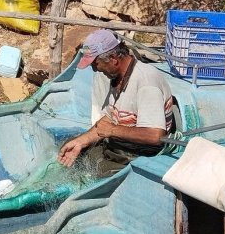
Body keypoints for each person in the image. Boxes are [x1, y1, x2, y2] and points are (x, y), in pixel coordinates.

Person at [58, 29, 176, 177]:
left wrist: (112, 130)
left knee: (97, 176)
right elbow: (109, 120)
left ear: (113, 58)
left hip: (138, 155)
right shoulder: (117, 77)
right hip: (120, 146)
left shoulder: (146, 83)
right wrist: (81, 141)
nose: (95, 69)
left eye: (96, 63)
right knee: (71, 147)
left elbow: (155, 136)